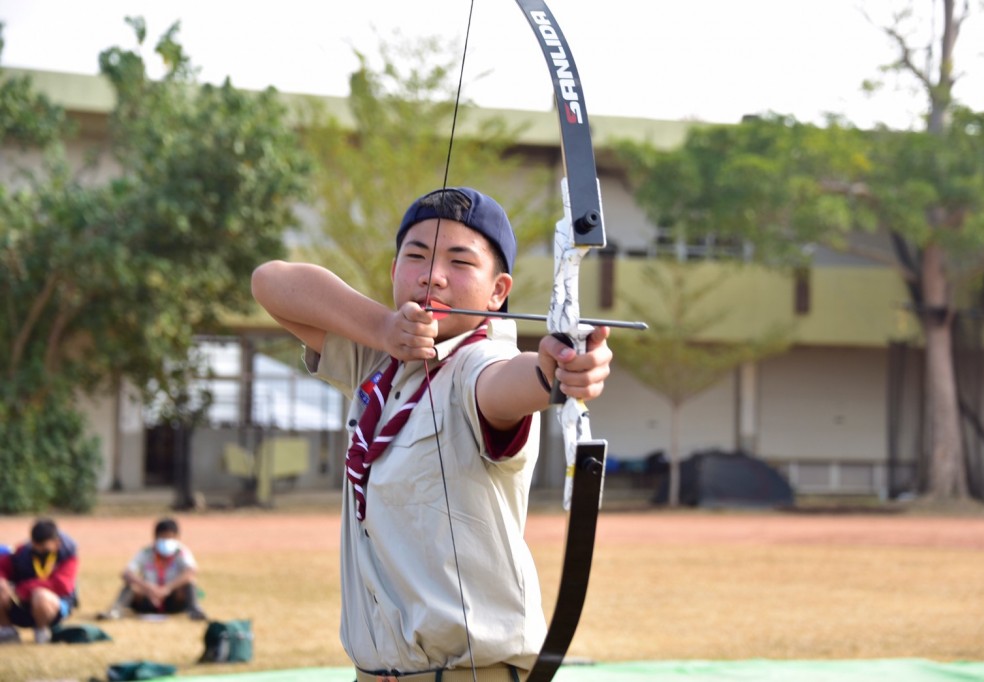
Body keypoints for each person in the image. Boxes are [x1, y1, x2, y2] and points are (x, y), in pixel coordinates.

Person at [250, 187, 613, 682]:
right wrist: (383, 328)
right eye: (415, 256)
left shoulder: (479, 364)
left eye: (460, 262)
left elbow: (511, 384)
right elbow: (270, 281)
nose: (432, 276)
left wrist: (557, 372)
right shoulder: (377, 360)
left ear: (498, 291)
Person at [98, 517, 206, 621]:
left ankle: (195, 611)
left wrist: (167, 588)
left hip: (172, 599)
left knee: (190, 582)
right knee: (132, 586)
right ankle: (115, 611)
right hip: (147, 599)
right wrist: (148, 588)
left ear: (177, 537)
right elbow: (126, 573)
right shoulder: (146, 552)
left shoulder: (181, 552)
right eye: (163, 537)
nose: (166, 541)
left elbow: (191, 571)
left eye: (169, 537)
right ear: (155, 537)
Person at [0, 518, 79, 644]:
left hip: (53, 606)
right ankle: (7, 632)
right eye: (35, 546)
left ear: (56, 542)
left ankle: (42, 631)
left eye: (43, 547)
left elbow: (62, 585)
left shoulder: (68, 556)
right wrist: (3, 581)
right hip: (24, 605)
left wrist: (23, 589)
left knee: (40, 595)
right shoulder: (24, 552)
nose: (38, 550)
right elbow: (3, 565)